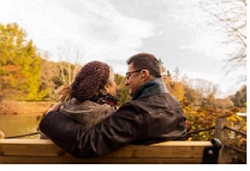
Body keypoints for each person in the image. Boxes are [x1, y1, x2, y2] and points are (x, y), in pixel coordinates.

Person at [39, 52, 187, 158]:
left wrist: (50, 117)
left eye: (129, 76)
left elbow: (87, 144)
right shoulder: (174, 104)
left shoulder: (138, 111)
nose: (126, 82)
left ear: (143, 74)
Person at [40, 60, 117, 139]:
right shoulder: (108, 114)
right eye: (114, 81)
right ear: (106, 86)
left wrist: (49, 114)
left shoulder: (64, 108)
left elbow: (43, 136)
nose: (115, 85)